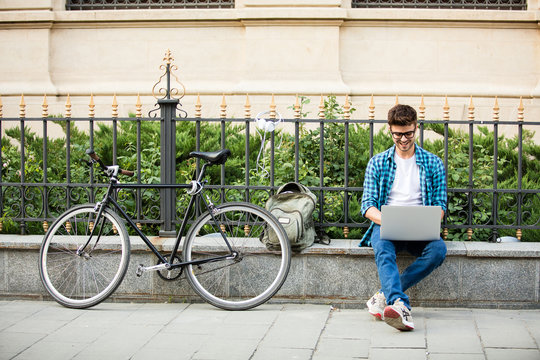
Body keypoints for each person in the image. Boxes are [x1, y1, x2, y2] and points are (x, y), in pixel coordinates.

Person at [360, 104, 447, 331]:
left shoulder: (433, 163)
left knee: (438, 250)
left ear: (416, 128)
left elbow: (440, 207)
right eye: (398, 134)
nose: (403, 139)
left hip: (420, 227)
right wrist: (390, 222)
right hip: (386, 224)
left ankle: (382, 296)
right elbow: (367, 206)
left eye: (408, 133)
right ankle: (400, 304)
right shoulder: (378, 162)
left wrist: (428, 220)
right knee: (382, 248)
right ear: (390, 130)